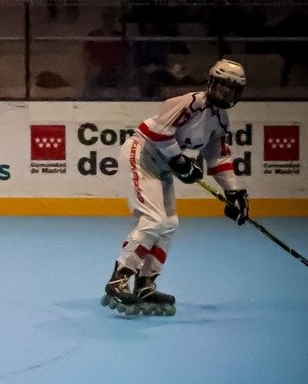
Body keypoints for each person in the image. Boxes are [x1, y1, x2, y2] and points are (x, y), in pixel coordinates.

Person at [102, 59, 248, 316]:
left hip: (163, 165)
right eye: (223, 86)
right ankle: (119, 277)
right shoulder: (190, 103)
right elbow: (158, 132)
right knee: (154, 219)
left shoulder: (220, 121)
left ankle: (145, 284)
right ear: (211, 83)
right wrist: (180, 160)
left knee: (168, 223)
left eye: (232, 89)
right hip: (142, 155)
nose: (226, 93)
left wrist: (233, 192)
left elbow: (218, 158)